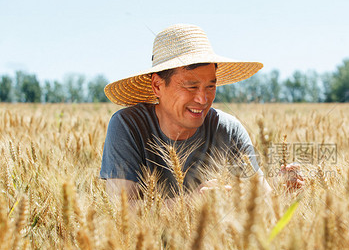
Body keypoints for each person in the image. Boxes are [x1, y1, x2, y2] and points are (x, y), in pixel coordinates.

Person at [100, 23, 271, 199]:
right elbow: (121, 211)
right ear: (158, 86)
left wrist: (284, 186)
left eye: (210, 87)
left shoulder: (228, 129)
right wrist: (190, 203)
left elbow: (263, 198)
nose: (203, 99)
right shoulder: (128, 126)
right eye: (191, 87)